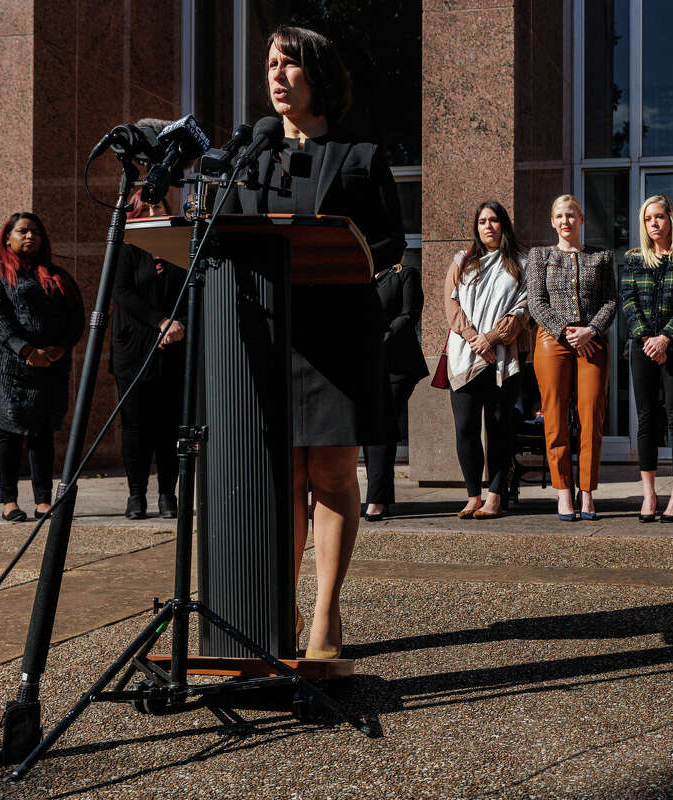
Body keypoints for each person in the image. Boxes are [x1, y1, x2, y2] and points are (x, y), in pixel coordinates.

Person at [226, 26, 405, 657]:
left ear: (317, 76)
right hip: (266, 334)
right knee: (278, 478)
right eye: (270, 64)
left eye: (289, 65)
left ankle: (325, 615)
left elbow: (390, 243)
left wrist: (341, 247)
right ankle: (279, 605)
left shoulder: (361, 155)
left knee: (328, 472)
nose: (276, 76)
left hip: (337, 333)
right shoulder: (251, 152)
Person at [0, 213, 84, 522]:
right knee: (8, 432)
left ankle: (44, 501)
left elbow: (76, 318)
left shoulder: (57, 275)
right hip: (7, 367)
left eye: (35, 231)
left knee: (42, 432)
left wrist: (60, 348)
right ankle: (9, 501)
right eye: (22, 231)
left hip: (50, 364)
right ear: (7, 237)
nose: (30, 236)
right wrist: (24, 350)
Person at [526, 195, 617, 521]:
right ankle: (564, 491)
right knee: (555, 417)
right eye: (560, 216)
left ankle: (587, 492)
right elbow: (536, 303)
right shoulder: (540, 256)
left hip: (592, 343)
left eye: (571, 215)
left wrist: (590, 330)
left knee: (592, 415)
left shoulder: (602, 256)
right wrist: (566, 330)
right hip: (553, 341)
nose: (566, 221)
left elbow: (610, 301)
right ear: (553, 222)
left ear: (581, 220)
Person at [443, 201, 530, 519]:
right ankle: (473, 495)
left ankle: (495, 495)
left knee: (499, 427)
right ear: (476, 227)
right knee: (465, 427)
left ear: (504, 225)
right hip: (464, 355)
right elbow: (450, 304)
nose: (488, 226)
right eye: (482, 221)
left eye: (494, 220)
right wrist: (472, 338)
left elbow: (523, 308)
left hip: (503, 357)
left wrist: (491, 338)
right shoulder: (462, 261)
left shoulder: (521, 262)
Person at [619, 194, 673, 523]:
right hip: (642, 349)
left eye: (660, 217)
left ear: (671, 219)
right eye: (648, 219)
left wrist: (665, 337)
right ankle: (649, 494)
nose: (654, 223)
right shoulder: (634, 259)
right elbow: (628, 300)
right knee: (646, 419)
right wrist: (647, 338)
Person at [110, 192, 187, 521]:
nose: (154, 212)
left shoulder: (181, 247)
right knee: (136, 426)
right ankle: (136, 494)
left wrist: (176, 326)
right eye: (147, 208)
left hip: (175, 346)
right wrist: (159, 322)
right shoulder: (125, 248)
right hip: (135, 348)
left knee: (170, 426)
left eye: (159, 207)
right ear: (134, 214)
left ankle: (168, 494)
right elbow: (122, 293)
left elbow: (190, 291)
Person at [362, 260, 429, 522]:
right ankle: (380, 496)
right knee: (374, 429)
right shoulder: (362, 275)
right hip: (367, 365)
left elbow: (409, 313)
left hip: (397, 365)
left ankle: (376, 500)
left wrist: (381, 339)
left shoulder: (404, 273)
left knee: (381, 424)